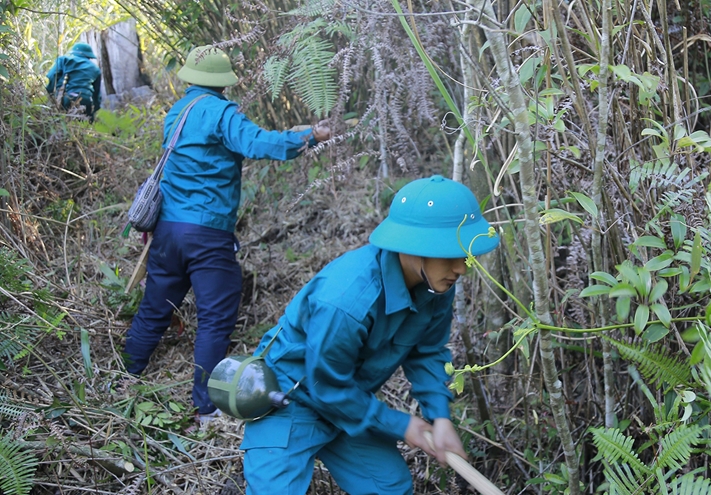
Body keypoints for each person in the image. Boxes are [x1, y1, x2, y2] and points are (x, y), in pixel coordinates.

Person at [240, 175, 500, 495]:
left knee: (390, 487)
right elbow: (327, 387)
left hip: (350, 403)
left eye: (464, 255)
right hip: (292, 399)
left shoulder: (437, 284)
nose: (462, 268)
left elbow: (428, 352)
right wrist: (402, 425)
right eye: (450, 255)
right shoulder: (346, 300)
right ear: (411, 248)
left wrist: (440, 417)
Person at [122, 45, 331, 422]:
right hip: (207, 235)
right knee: (216, 317)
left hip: (167, 231)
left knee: (154, 307)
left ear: (190, 78)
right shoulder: (221, 113)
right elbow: (258, 143)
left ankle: (125, 376)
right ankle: (206, 406)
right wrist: (311, 136)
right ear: (224, 83)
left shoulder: (177, 113)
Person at [45, 42, 102, 121]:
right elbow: (97, 95)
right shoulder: (96, 69)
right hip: (87, 99)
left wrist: (50, 93)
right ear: (89, 56)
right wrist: (94, 110)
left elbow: (52, 76)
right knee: (85, 124)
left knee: (63, 122)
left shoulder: (64, 60)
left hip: (68, 96)